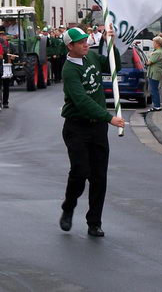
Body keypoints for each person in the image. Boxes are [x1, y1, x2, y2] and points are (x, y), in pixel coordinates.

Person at [58, 25, 124, 238]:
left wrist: (110, 44)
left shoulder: (92, 58)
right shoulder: (69, 70)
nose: (86, 44)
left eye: (87, 40)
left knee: (99, 177)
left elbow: (115, 67)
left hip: (97, 128)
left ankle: (94, 222)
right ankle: (69, 206)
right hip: (76, 126)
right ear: (70, 46)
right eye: (81, 42)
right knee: (80, 171)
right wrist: (110, 117)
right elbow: (82, 101)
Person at [145, 37, 162, 112]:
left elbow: (149, 62)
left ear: (157, 43)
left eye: (154, 42)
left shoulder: (157, 52)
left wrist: (147, 61)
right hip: (154, 73)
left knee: (154, 90)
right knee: (153, 89)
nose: (153, 44)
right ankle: (156, 105)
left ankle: (157, 106)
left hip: (154, 74)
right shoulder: (158, 51)